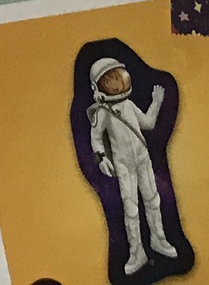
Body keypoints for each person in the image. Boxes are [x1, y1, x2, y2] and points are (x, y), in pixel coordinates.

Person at [86, 57, 179, 275]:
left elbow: (148, 123)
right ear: (99, 86)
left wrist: (156, 103)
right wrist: (102, 158)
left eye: (118, 78)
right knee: (131, 208)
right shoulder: (102, 112)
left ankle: (158, 240)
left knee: (153, 199)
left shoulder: (128, 105)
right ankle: (137, 252)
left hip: (142, 158)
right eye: (110, 80)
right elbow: (96, 138)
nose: (116, 84)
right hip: (123, 165)